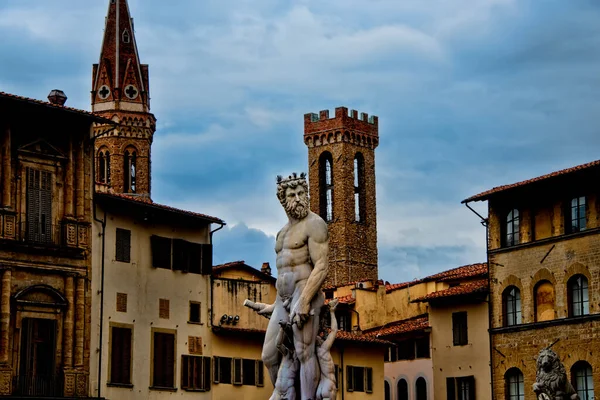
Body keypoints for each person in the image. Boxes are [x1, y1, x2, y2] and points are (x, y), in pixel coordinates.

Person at [259, 173, 329, 400]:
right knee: (269, 356)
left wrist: (306, 299)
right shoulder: (282, 233)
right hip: (282, 300)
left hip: (304, 292)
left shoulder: (315, 224)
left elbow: (321, 265)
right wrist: (273, 305)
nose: (298, 199)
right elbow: (284, 271)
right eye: (292, 195)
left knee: (303, 352)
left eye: (301, 194)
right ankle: (285, 395)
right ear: (283, 200)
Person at [315, 298, 339, 400]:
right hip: (329, 385)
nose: (322, 337)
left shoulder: (315, 351)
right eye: (320, 337)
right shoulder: (324, 348)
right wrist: (332, 312)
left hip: (319, 387)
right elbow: (334, 331)